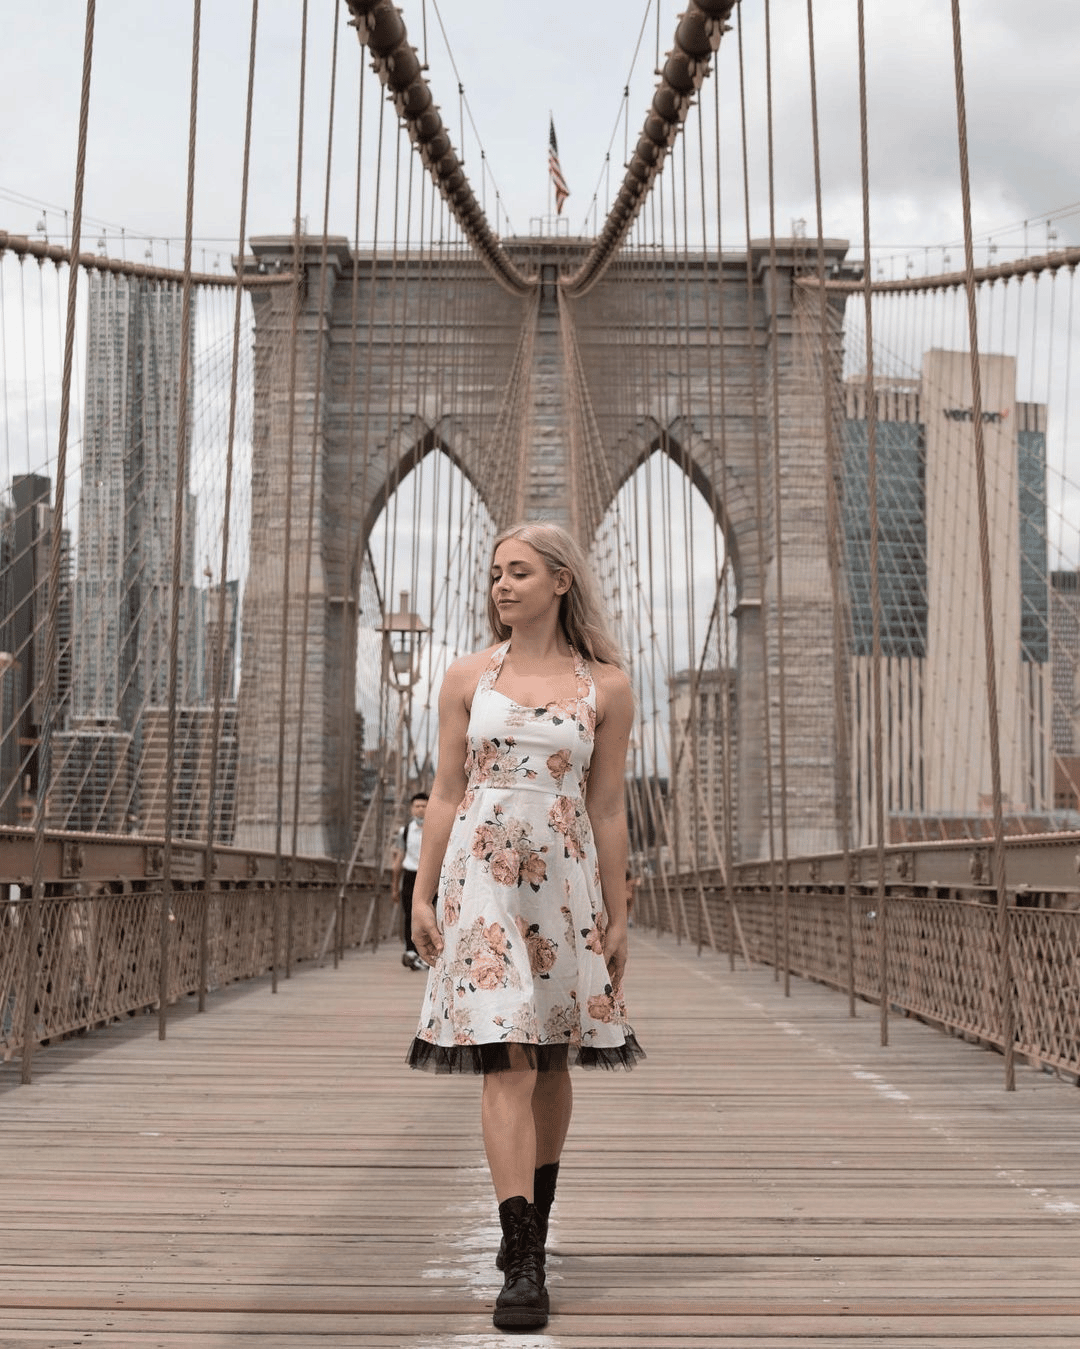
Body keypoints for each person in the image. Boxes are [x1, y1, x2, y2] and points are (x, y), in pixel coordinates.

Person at [407, 520, 645, 1331]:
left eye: (519, 572)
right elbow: (443, 791)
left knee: (549, 1059)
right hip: (483, 890)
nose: (502, 584)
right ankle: (524, 1258)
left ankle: (531, 1228)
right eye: (496, 573)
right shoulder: (467, 675)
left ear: (561, 581)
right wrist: (421, 892)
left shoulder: (606, 685)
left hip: (564, 890)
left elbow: (609, 807)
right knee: (504, 1057)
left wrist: (621, 914)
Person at [390, 793, 429, 970]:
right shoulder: (404, 832)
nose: (421, 809)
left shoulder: (436, 829)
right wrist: (394, 887)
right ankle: (411, 951)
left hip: (430, 877)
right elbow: (398, 860)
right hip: (410, 876)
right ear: (412, 809)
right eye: (417, 806)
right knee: (409, 915)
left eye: (424, 806)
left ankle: (427, 953)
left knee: (431, 914)